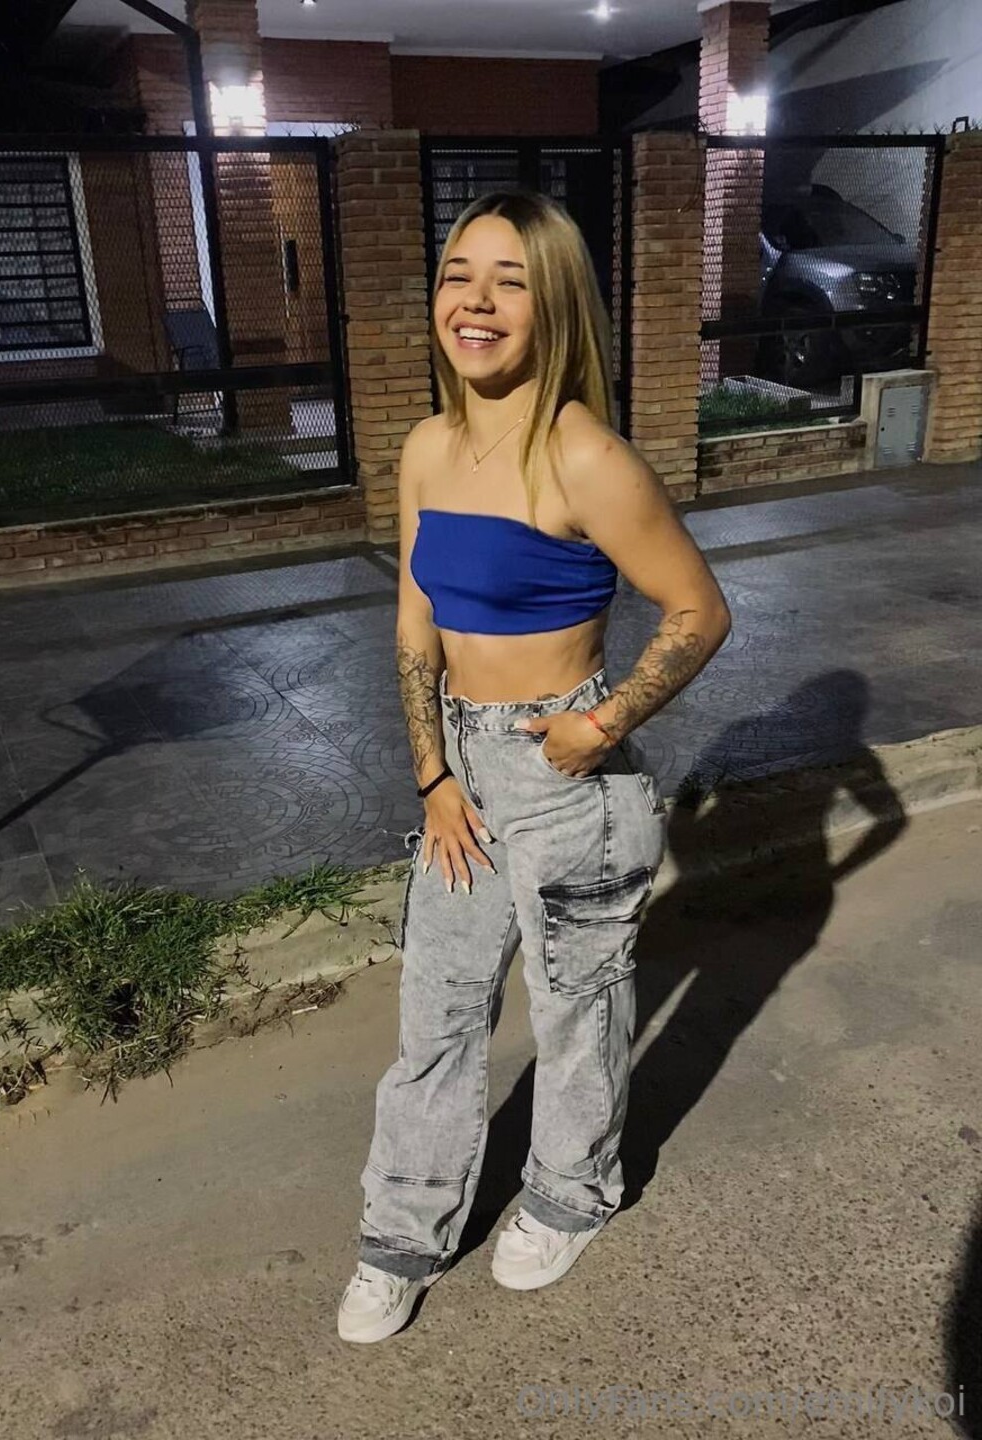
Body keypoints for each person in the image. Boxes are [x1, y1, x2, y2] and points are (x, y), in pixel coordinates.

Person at [337, 189, 731, 1344]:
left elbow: (699, 611)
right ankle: (401, 1235)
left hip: (566, 774)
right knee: (436, 1015)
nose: (476, 301)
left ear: (554, 304)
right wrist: (432, 776)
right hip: (461, 774)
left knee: (576, 1013)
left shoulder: (584, 455)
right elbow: (415, 625)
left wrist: (599, 728)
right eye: (459, 275)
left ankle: (571, 1193)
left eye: (510, 281)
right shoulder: (427, 447)